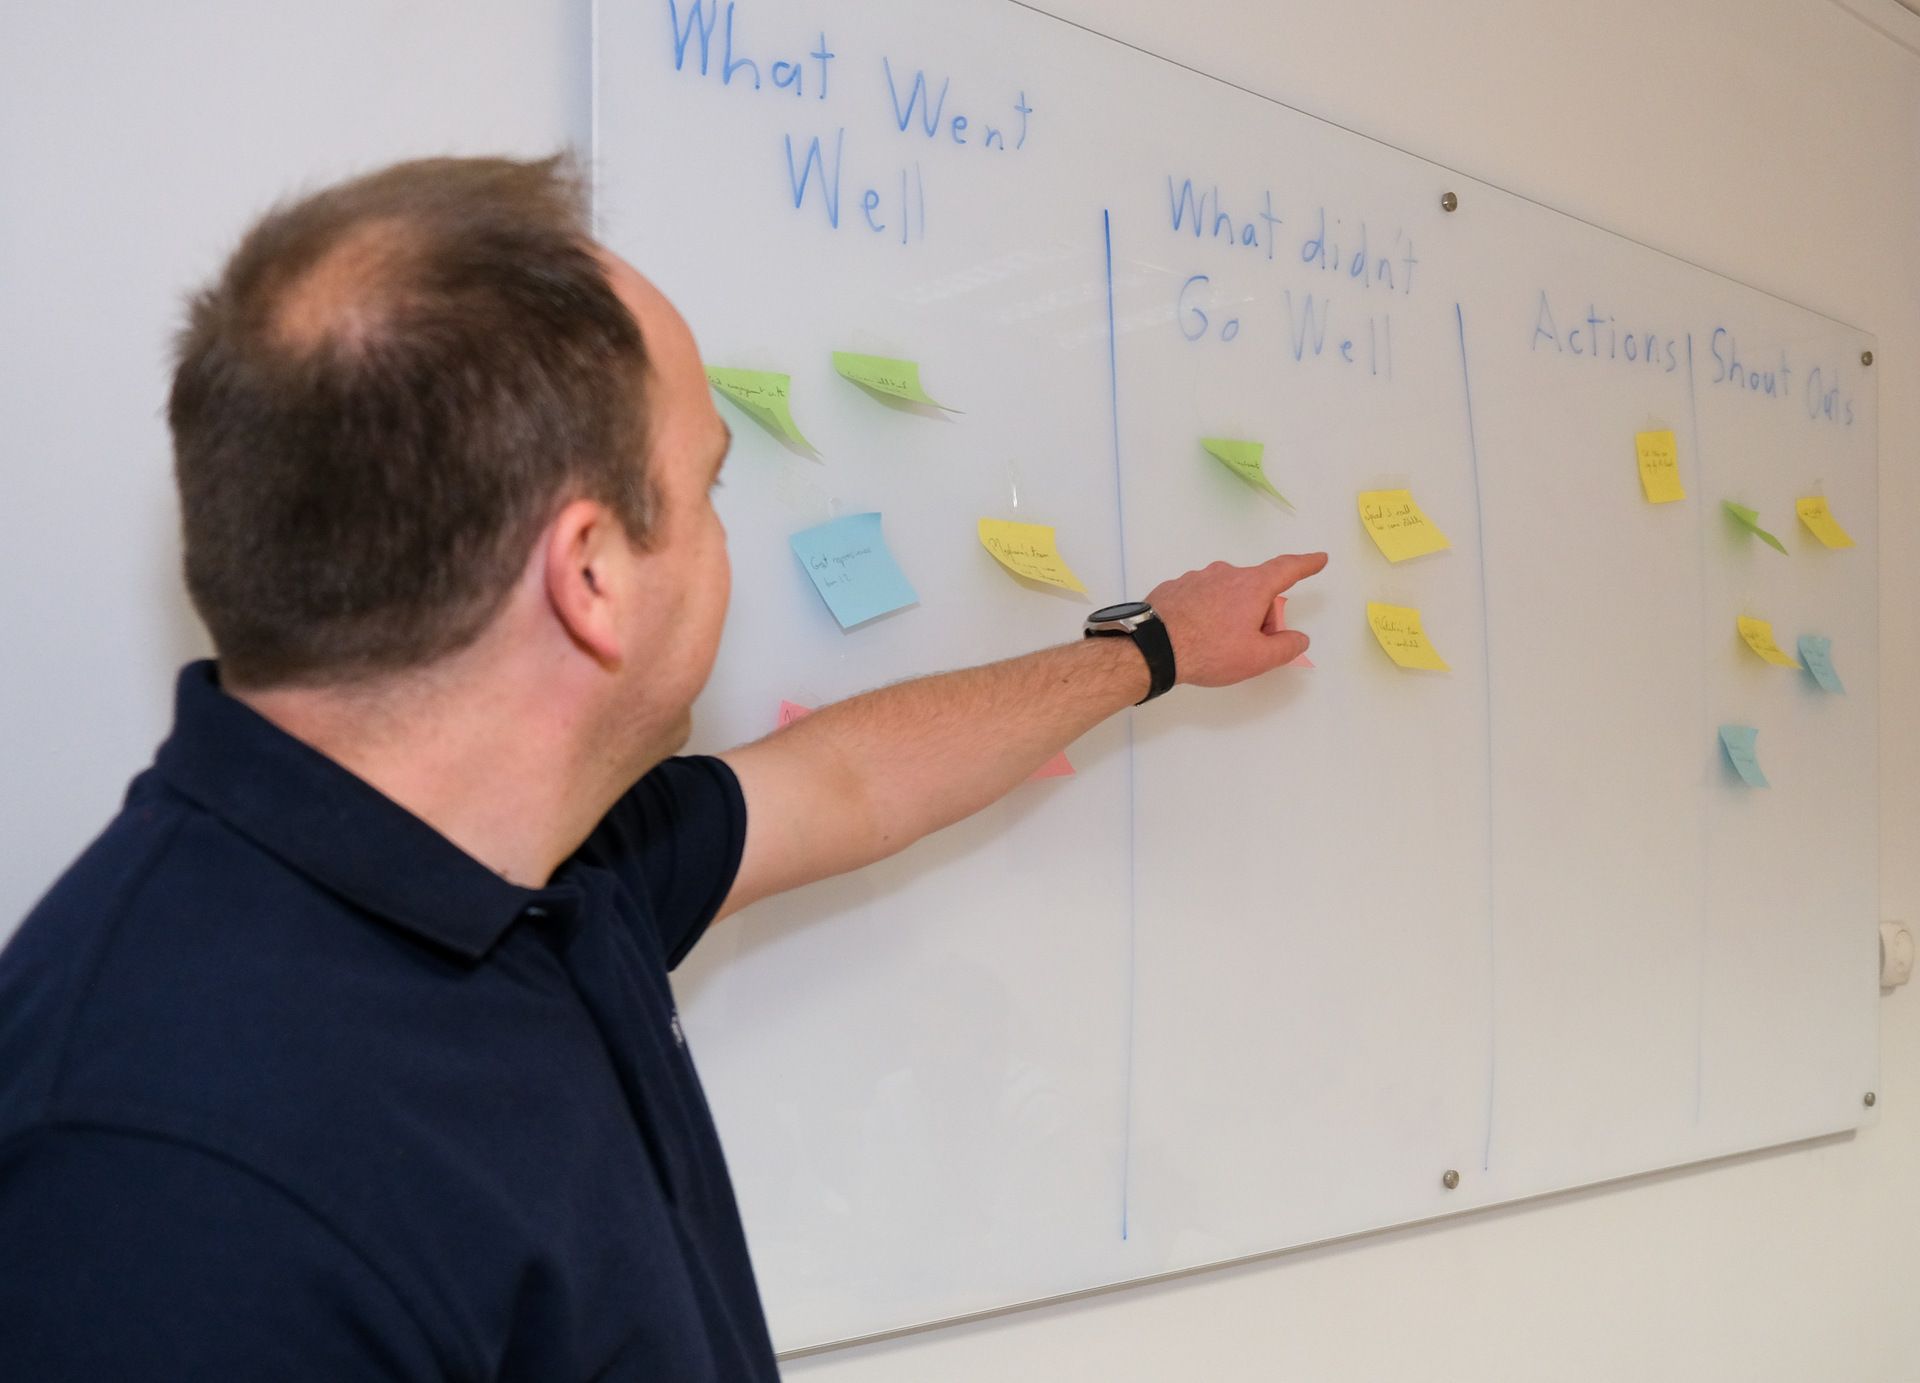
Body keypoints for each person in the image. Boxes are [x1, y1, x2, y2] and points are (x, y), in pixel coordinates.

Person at [0, 155, 1326, 1380]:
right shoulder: (154, 1175)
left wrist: (1152, 649)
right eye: (707, 491)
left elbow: (851, 782)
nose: (719, 536)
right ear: (590, 575)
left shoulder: (542, 863)